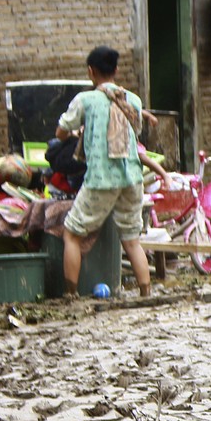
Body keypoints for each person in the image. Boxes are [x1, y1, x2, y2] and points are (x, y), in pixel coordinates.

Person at [55, 45, 153, 297]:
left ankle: (70, 294)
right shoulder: (132, 100)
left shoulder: (85, 100)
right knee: (131, 240)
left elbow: (61, 132)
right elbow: (136, 131)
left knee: (72, 234)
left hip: (101, 179)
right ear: (116, 70)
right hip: (132, 177)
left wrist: (75, 133)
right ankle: (146, 293)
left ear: (90, 71)